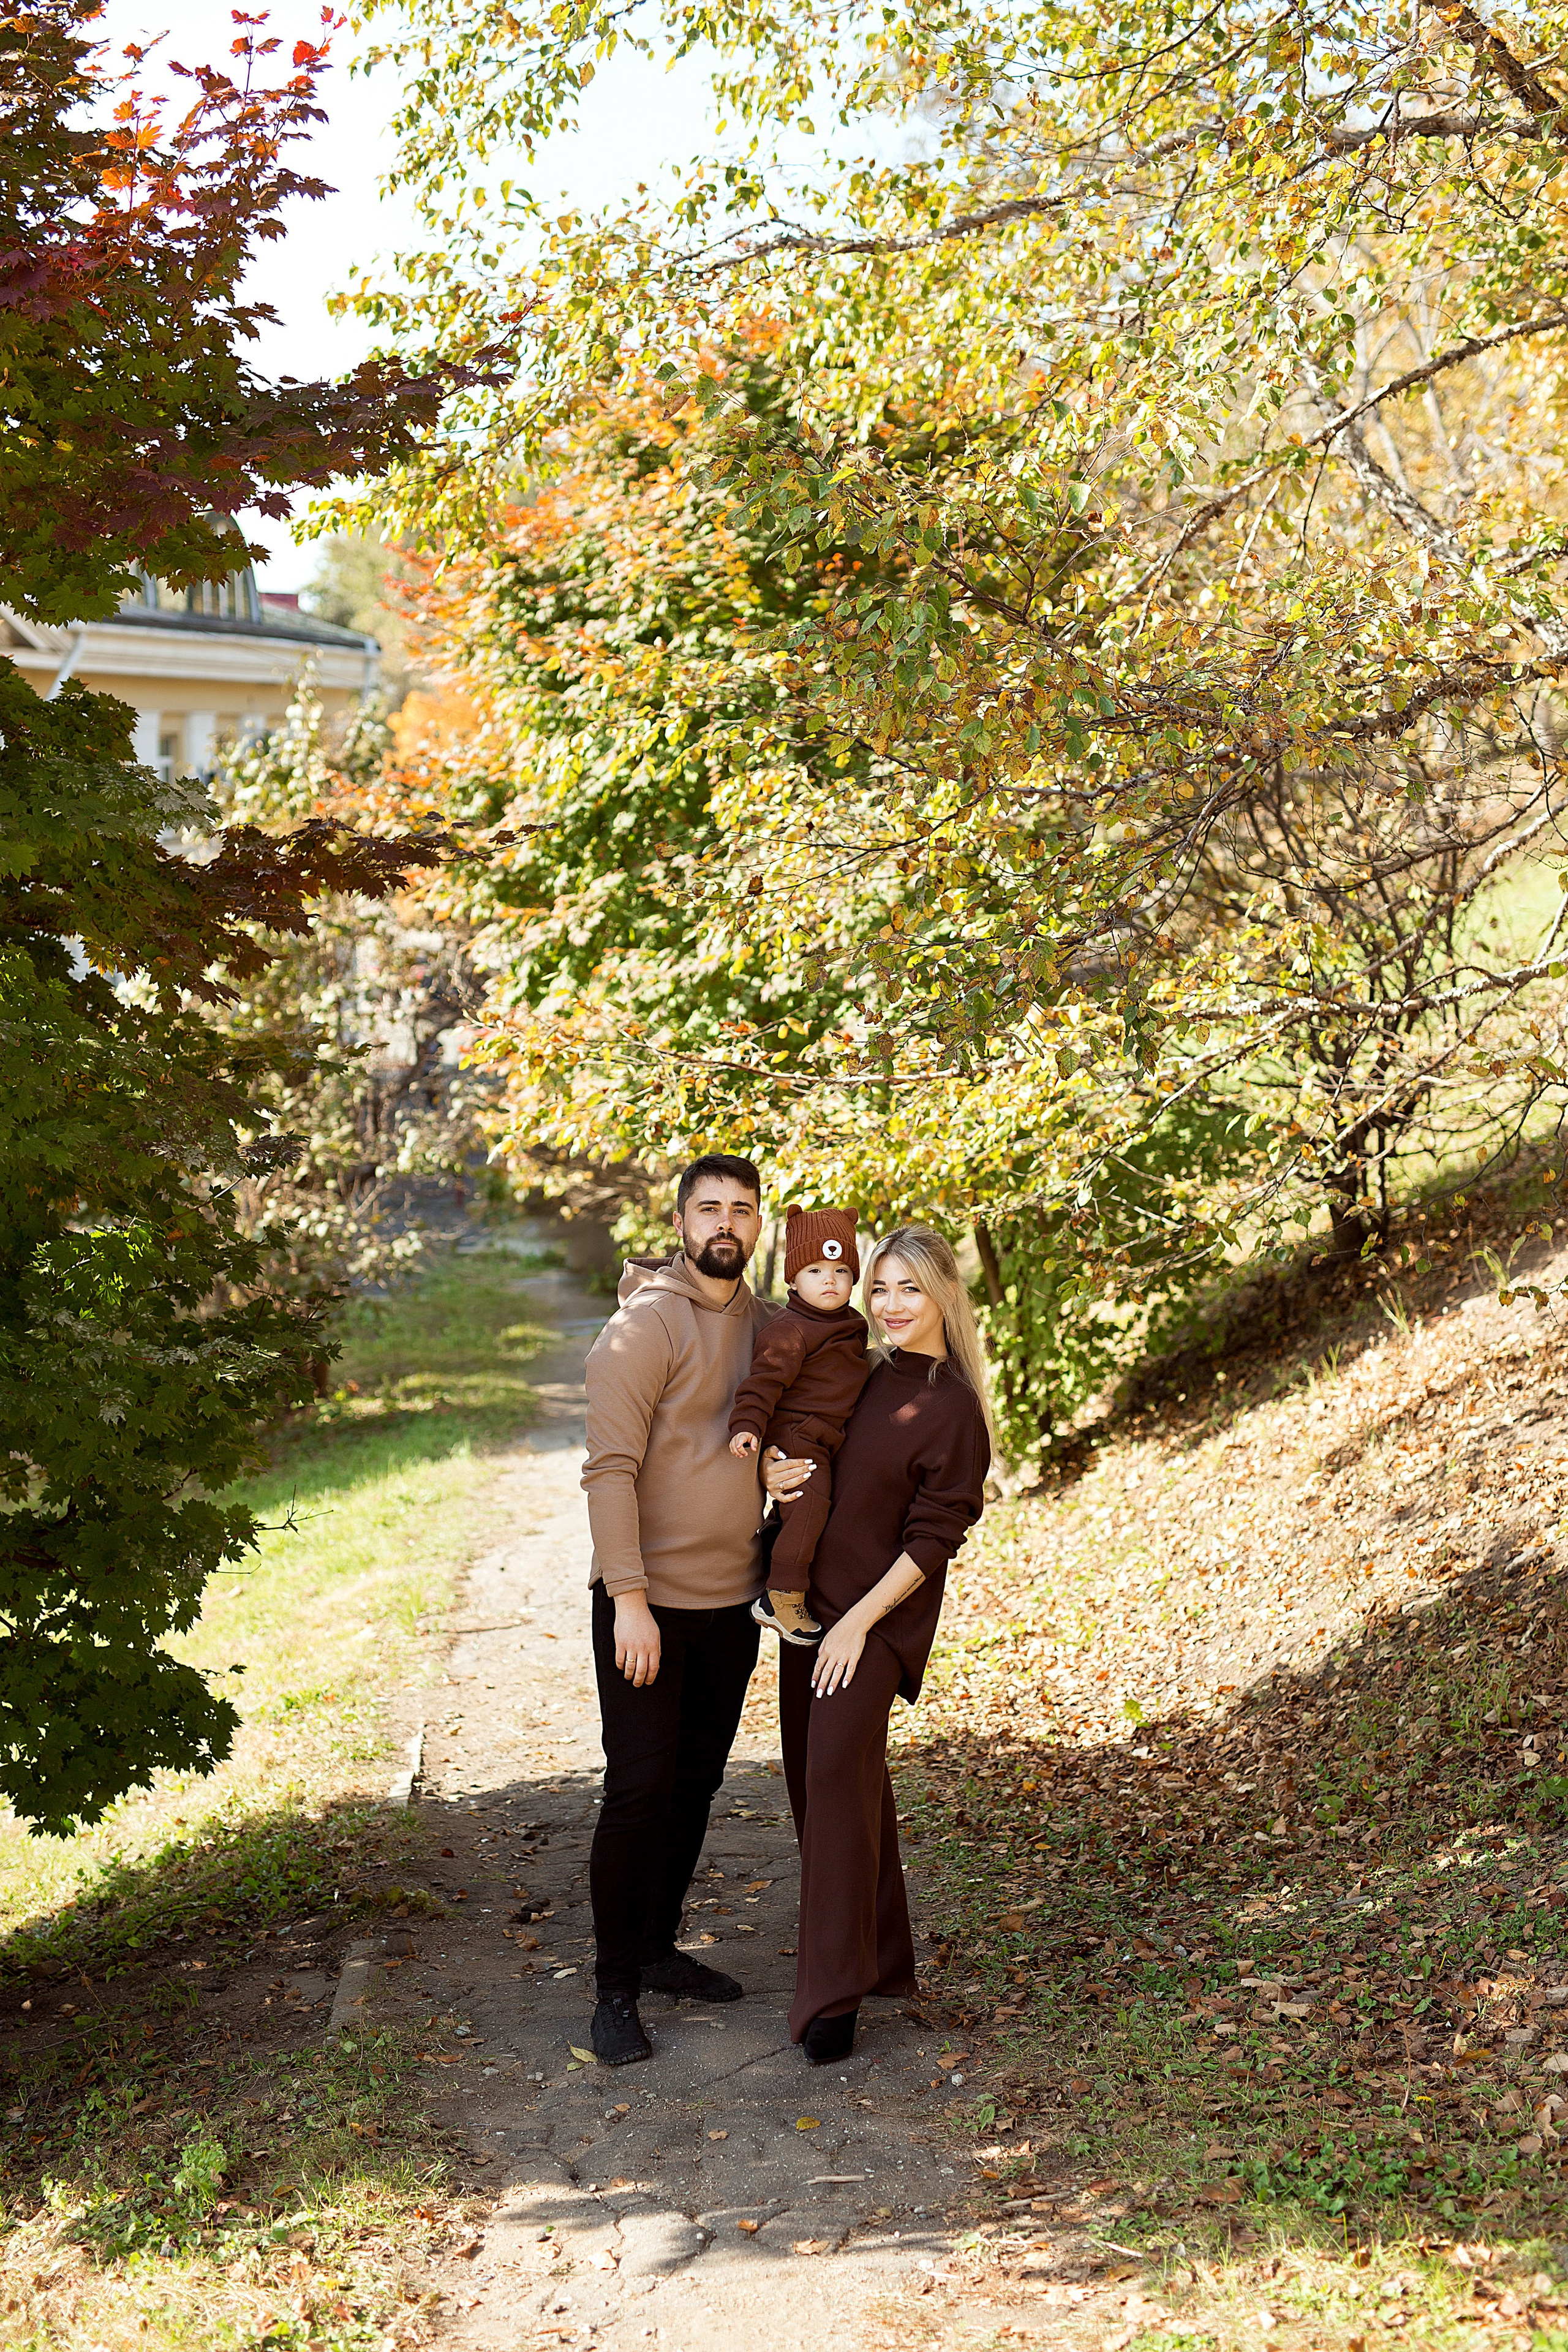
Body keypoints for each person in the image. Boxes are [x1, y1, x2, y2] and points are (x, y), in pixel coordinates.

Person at [764, 1226, 992, 2065]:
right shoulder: (858, 1372)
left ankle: (831, 2000)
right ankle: (882, 1954)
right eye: (882, 1288)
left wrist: (861, 1622)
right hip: (811, 1618)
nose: (891, 1305)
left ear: (944, 1298)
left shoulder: (952, 1407)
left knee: (832, 1781)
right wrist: (768, 1472)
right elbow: (806, 1445)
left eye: (910, 1290)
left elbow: (936, 1539)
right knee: (825, 1786)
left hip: (874, 1629)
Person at [580, 1153, 777, 2066]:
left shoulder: (772, 1330)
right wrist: (628, 1600)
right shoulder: (643, 1328)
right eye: (710, 1209)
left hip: (730, 1606)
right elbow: (608, 1471)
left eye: (741, 1209)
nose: (725, 1225)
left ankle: (658, 1949)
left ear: (758, 1225)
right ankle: (614, 1988)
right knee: (638, 1790)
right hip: (645, 1609)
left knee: (696, 1785)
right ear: (681, 1223)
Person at [727, 1205, 870, 1646]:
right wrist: (748, 1423)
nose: (830, 1280)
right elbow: (763, 1382)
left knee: (805, 1514)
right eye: (814, 1270)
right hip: (798, 1436)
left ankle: (774, 1553)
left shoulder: (852, 1324)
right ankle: (782, 1598)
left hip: (828, 1437)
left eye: (842, 1270)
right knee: (810, 1510)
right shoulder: (790, 1329)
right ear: (792, 1280)